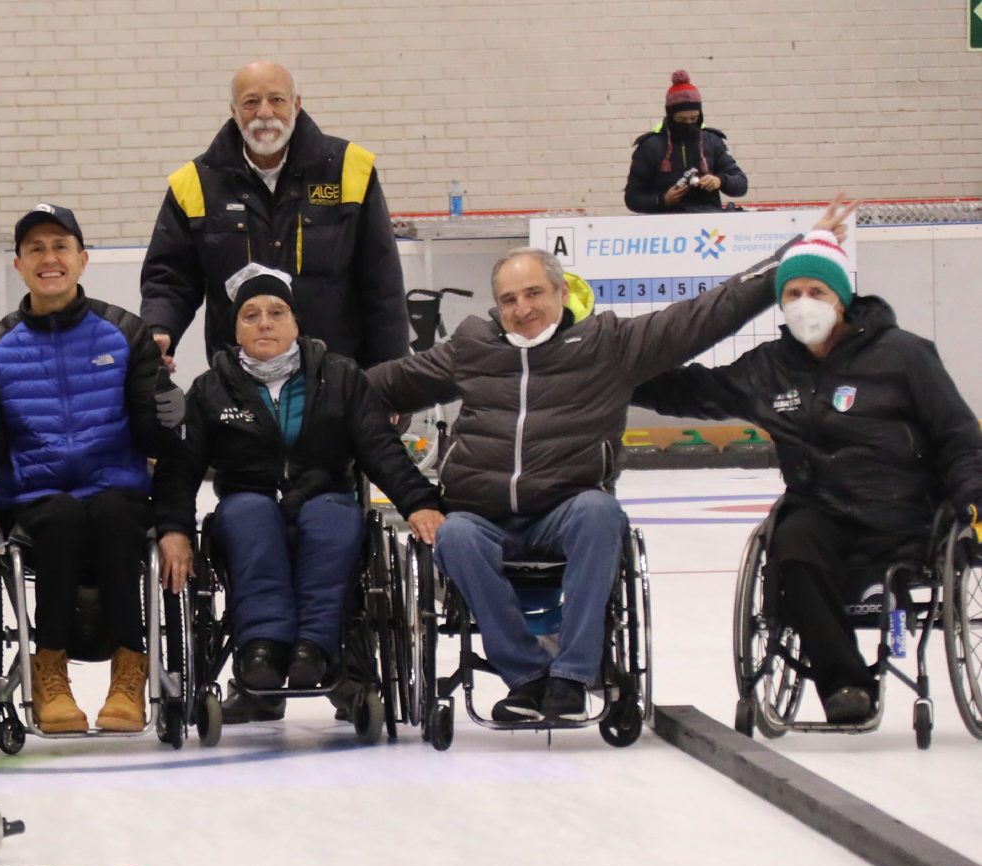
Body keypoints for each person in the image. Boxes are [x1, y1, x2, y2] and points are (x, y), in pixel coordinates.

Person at [367, 200, 851, 724]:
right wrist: (319, 381)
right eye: (509, 299)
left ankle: (573, 676)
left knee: (600, 515)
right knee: (454, 535)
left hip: (566, 510)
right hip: (480, 516)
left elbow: (707, 313)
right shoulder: (472, 346)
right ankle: (527, 677)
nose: (522, 308)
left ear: (559, 293)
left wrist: (793, 258)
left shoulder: (606, 344)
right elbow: (377, 386)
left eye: (534, 294)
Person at [632, 218, 980, 723]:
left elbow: (958, 436)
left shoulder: (904, 355)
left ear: (841, 297)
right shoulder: (769, 367)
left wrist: (973, 495)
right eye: (792, 292)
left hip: (909, 516)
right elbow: (691, 393)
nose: (803, 301)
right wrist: (610, 371)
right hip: (823, 512)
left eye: (816, 290)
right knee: (792, 549)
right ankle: (846, 685)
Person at [155, 266, 444, 723]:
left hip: (325, 499)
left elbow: (380, 448)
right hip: (249, 506)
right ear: (235, 329)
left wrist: (419, 501)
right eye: (250, 315)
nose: (264, 322)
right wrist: (173, 529)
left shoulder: (341, 377)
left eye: (276, 312)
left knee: (331, 518)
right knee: (251, 515)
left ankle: (315, 649)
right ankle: (262, 653)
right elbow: (180, 469)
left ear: (296, 323)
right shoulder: (211, 389)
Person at [0, 204, 180, 734]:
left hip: (114, 488)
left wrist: (170, 418)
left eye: (60, 247)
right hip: (33, 498)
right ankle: (49, 668)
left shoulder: (124, 332)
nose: (48, 258)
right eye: (35, 248)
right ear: (17, 264)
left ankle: (130, 671)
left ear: (82, 260)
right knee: (60, 515)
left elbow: (156, 438)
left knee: (113, 513)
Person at [138, 62, 407, 367]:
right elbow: (169, 278)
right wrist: (160, 328)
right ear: (234, 111)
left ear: (296, 104)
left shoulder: (350, 172)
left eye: (277, 100)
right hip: (237, 384)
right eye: (251, 102)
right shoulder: (194, 184)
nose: (264, 113)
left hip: (336, 378)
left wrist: (391, 378)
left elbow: (382, 285)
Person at [624, 71, 749, 215]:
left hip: (708, 221)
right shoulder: (650, 146)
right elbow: (632, 198)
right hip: (665, 224)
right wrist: (662, 199)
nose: (689, 124)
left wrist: (720, 181)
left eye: (694, 119)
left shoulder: (712, 141)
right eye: (682, 120)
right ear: (670, 116)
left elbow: (741, 184)